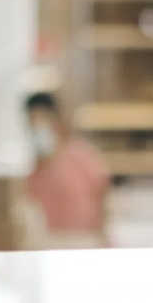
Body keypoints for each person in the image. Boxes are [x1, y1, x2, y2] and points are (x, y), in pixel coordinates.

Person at [23, 93, 110, 249]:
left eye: (42, 119)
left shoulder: (80, 155)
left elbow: (102, 194)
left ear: (56, 120)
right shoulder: (31, 166)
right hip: (50, 242)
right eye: (32, 120)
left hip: (83, 240)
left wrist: (102, 235)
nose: (38, 125)